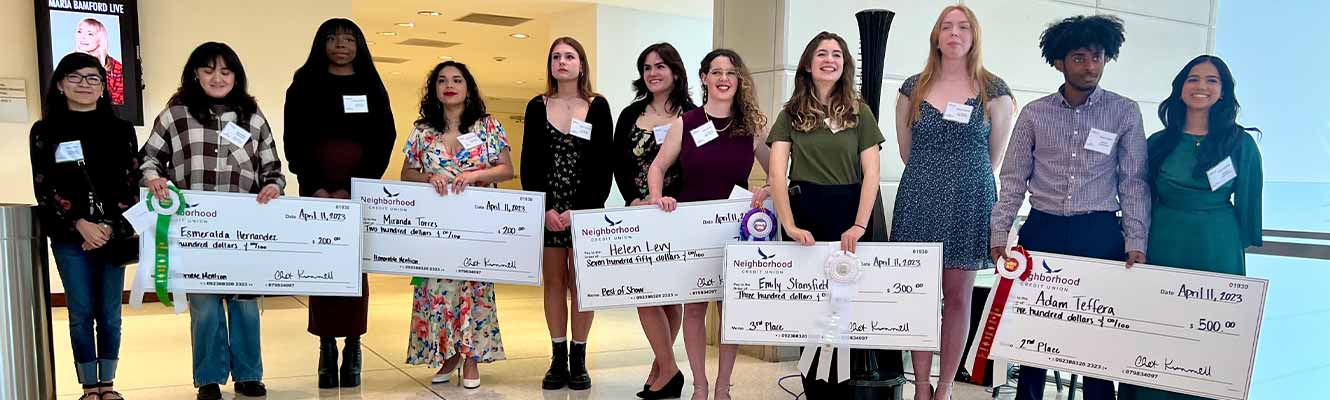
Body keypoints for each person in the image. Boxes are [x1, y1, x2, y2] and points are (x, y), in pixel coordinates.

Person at [988, 15, 1147, 400]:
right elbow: (1012, 179)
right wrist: (999, 235)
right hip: (1042, 231)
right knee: (1033, 338)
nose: (1090, 66)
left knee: (1095, 338)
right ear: (1059, 61)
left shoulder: (1124, 112)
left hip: (1100, 234)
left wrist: (1136, 241)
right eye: (1079, 57)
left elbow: (1133, 180)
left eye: (1097, 57)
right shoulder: (1035, 113)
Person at [140, 42, 286, 400]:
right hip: (195, 229)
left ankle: (249, 375)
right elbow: (149, 159)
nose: (217, 78)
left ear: (236, 76)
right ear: (195, 74)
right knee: (204, 308)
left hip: (244, 230)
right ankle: (208, 378)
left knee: (245, 306)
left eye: (225, 71)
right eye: (208, 70)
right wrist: (153, 178)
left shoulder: (253, 117)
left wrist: (272, 186)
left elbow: (273, 169)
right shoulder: (175, 115)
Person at [1117, 55, 1262, 400]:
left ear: (1224, 91)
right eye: (1193, 79)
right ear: (1180, 89)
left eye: (1212, 80)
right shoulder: (1157, 143)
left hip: (1218, 250)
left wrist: (1225, 247)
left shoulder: (1240, 144)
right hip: (1163, 243)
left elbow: (1249, 209)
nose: (1202, 86)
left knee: (1209, 337)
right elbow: (1140, 198)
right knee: (1157, 331)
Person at [890, 6, 1014, 400]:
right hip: (920, 198)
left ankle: (944, 387)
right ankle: (921, 385)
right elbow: (906, 151)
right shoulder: (913, 87)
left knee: (958, 296)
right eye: (947, 26)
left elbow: (993, 159)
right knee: (920, 295)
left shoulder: (995, 90)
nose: (954, 33)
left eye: (963, 27)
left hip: (968, 200)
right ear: (936, 35)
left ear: (974, 36)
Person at [767, 31, 893, 399]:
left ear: (844, 65)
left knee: (847, 309)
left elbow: (872, 172)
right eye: (821, 53)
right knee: (810, 307)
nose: (829, 59)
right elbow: (777, 173)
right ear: (808, 63)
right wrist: (789, 224)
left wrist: (859, 223)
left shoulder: (860, 111)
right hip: (807, 212)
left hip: (849, 214)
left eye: (837, 54)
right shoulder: (789, 114)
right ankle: (814, 390)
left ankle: (842, 390)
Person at [646, 49, 771, 400]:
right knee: (696, 308)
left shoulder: (752, 126)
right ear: (703, 78)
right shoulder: (685, 122)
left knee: (730, 309)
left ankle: (723, 387)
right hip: (694, 228)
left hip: (735, 229)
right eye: (716, 72)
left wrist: (768, 186)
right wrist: (657, 197)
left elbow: (779, 170)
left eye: (731, 72)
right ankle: (700, 385)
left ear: (739, 79)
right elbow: (657, 167)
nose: (723, 79)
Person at [283, 18, 395, 389]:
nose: (341, 44)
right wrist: (315, 187)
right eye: (333, 38)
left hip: (357, 193)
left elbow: (384, 139)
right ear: (321, 44)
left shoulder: (371, 86)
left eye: (349, 38)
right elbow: (293, 140)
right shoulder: (304, 83)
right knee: (323, 268)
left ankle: (354, 346)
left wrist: (355, 188)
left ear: (359, 44)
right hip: (315, 191)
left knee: (353, 270)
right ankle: (326, 348)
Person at [29, 52, 139, 400]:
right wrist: (80, 224)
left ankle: (108, 385)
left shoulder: (120, 130)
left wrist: (105, 226)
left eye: (93, 78)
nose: (84, 84)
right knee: (80, 312)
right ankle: (88, 387)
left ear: (104, 87)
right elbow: (44, 187)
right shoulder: (44, 131)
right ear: (60, 85)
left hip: (112, 234)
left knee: (109, 314)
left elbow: (129, 183)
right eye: (75, 77)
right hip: (68, 235)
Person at [401, 60, 514, 390]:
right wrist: (429, 176)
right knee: (437, 291)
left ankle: (471, 356)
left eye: (457, 80)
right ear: (434, 89)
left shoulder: (487, 127)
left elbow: (506, 169)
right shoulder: (423, 131)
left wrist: (476, 175)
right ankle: (448, 354)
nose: (449, 85)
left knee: (473, 288)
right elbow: (406, 174)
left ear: (468, 88)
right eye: (442, 80)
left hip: (476, 225)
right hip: (436, 227)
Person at [520, 36, 613, 391]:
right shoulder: (536, 105)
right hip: (547, 209)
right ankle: (557, 357)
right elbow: (529, 162)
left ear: (581, 64)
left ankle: (579, 356)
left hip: (585, 209)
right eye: (556, 56)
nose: (562, 61)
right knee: (555, 282)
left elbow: (603, 165)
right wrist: (543, 208)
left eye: (569, 56)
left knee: (582, 283)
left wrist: (581, 211)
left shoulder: (598, 106)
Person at [612, 42, 695, 395]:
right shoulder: (630, 115)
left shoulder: (693, 115)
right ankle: (669, 367)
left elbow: (695, 165)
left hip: (677, 213)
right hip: (640, 212)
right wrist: (633, 197)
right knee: (645, 293)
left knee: (668, 295)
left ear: (675, 71)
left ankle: (659, 370)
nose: (653, 73)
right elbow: (619, 163)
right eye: (646, 67)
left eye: (660, 66)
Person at [73, 18, 123, 105]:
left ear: (101, 39)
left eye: (90, 34)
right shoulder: (67, 65)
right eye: (80, 32)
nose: (83, 37)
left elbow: (120, 101)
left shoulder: (117, 68)